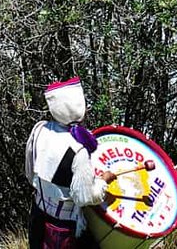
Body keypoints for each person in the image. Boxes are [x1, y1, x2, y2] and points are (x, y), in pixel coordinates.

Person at [26, 78, 115, 249]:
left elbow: (30, 174)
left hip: (38, 215)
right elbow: (84, 197)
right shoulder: (78, 149)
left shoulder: (39, 129)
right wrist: (103, 181)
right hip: (63, 227)